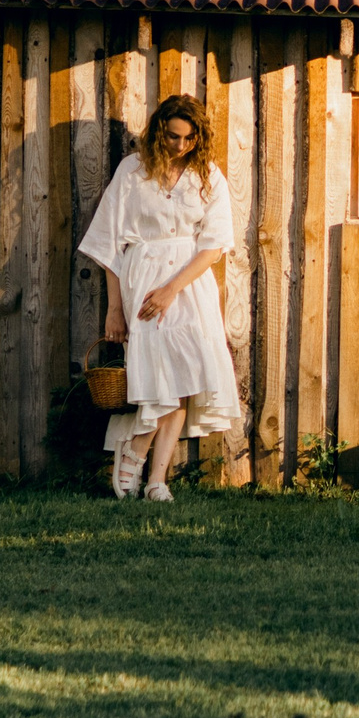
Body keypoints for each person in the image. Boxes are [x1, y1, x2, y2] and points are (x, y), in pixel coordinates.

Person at [76, 94, 241, 499]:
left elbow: (214, 246)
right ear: (158, 130)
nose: (180, 146)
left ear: (198, 137)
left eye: (188, 138)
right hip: (144, 276)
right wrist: (115, 308)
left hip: (189, 285)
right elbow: (110, 244)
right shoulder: (132, 171)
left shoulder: (208, 176)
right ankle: (132, 453)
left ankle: (156, 480)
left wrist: (173, 289)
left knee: (184, 377)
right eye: (172, 136)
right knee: (155, 375)